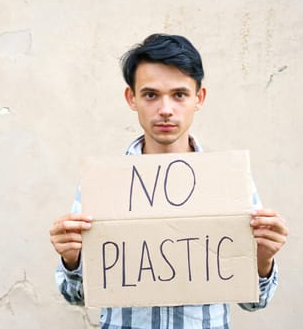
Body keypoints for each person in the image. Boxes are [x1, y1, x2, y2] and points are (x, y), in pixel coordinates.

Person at [49, 33, 288, 328]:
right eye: (150, 95)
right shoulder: (103, 185)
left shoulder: (229, 183)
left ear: (198, 98)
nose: (165, 109)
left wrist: (262, 260)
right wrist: (71, 260)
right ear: (131, 98)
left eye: (179, 94)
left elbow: (254, 302)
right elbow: (75, 296)